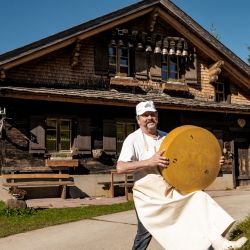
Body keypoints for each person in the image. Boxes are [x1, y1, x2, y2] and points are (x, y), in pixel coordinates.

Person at [116, 101, 248, 250]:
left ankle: (220, 243)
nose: (149, 118)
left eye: (152, 114)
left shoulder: (168, 137)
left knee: (198, 200)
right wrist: (149, 162)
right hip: (148, 195)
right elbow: (120, 167)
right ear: (138, 119)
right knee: (145, 232)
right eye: (145, 115)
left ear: (157, 117)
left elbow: (191, 157)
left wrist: (214, 161)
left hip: (171, 189)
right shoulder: (133, 139)